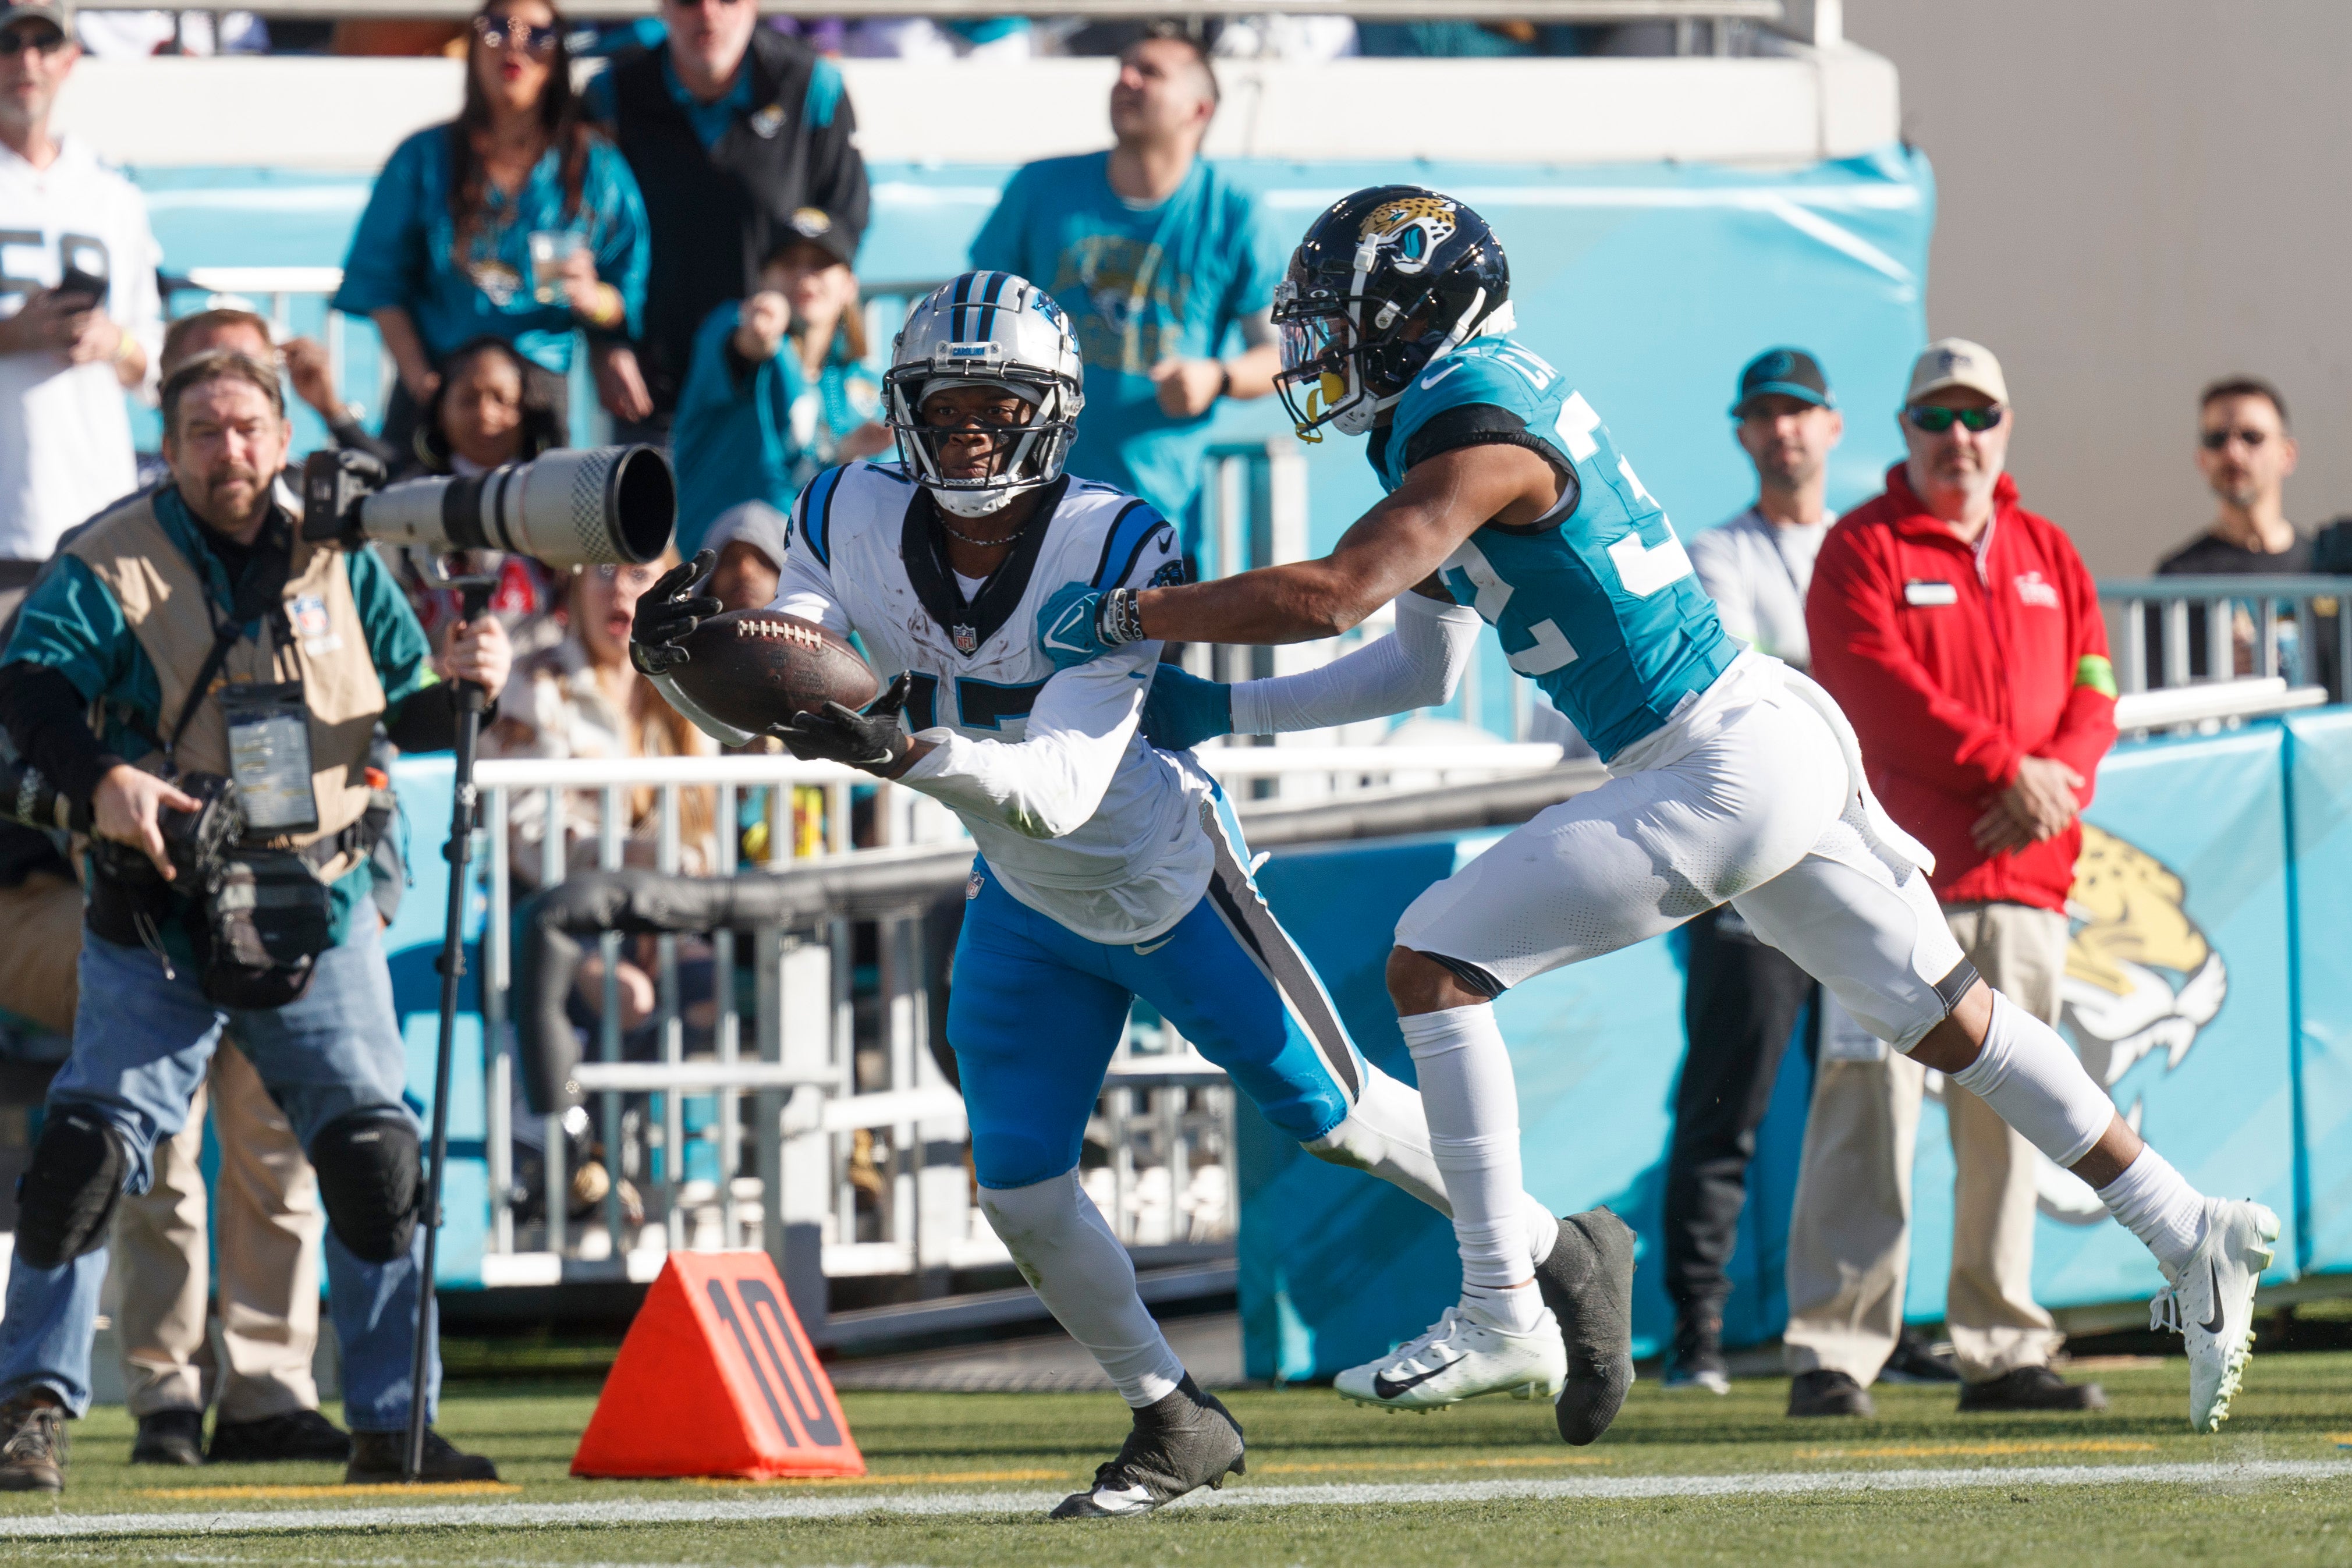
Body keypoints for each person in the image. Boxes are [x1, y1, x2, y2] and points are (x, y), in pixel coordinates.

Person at [1038, 186, 2277, 1439]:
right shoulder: (1459, 411)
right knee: (1957, 1024)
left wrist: (1128, 617)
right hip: (1749, 737)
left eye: (1338, 321)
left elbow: (1335, 593)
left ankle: (1500, 1305)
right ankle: (2188, 1227)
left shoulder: (1472, 426)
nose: (1320, 351)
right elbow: (1414, 667)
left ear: (1413, 313)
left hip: (1710, 758)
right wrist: (1218, 716)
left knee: (1431, 963)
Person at [630, 271, 1616, 1520]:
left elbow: (1051, 783)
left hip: (1156, 874)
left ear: (1049, 414)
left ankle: (1559, 1250)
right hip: (1024, 899)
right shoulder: (842, 504)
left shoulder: (1116, 541)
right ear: (902, 411)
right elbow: (799, 672)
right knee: (1020, 1187)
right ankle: (1169, 1413)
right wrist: (697, 662)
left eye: (996, 405)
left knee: (1339, 1119)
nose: (967, 432)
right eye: (944, 406)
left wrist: (895, 749)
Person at [0, 350, 510, 1489]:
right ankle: (28, 1409)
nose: (227, 451)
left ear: (281, 439)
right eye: (201, 431)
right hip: (157, 919)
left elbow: (411, 709)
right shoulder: (109, 560)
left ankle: (394, 1425)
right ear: (168, 444)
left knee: (380, 1159)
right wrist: (101, 785)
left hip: (318, 906)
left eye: (246, 429)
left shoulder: (343, 558)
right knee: (84, 1154)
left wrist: (473, 684)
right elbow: (27, 689)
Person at [1786, 339, 2114, 1418]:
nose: (1958, 437)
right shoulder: (1860, 547)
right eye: (1937, 417)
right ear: (1905, 429)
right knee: (1866, 1104)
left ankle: (2002, 1341)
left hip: (2025, 872)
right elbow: (1871, 686)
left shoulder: (2049, 550)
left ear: (2006, 426)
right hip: (1883, 875)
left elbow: (2096, 685)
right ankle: (1836, 1347)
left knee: (2016, 1117)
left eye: (1978, 415)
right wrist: (2006, 768)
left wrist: (2059, 772)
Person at [1652, 347, 1843, 1395]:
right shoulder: (1714, 549)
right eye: (1766, 413)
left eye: (1800, 412)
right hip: (1748, 870)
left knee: (1864, 1104)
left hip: (1853, 858)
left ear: (1833, 426)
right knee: (1726, 1099)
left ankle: (1866, 1323)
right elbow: (1746, 685)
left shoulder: (1865, 545)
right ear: (1743, 430)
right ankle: (1700, 1337)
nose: (1784, 430)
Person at [967, 29, 1282, 545]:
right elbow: (978, 309)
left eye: (1150, 72)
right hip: (1021, 499)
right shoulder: (1039, 187)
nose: (1125, 80)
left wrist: (1216, 378)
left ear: (1197, 110)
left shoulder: (1235, 213)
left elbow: (1277, 355)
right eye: (1123, 67)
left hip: (1154, 516)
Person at [333, 0, 649, 456]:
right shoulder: (424, 157)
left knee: (537, 525)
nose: (516, 47)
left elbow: (626, 293)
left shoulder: (594, 166)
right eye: (499, 29)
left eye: (538, 35)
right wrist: (423, 380)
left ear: (560, 54)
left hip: (538, 392)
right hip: (439, 384)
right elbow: (378, 282)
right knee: (411, 520)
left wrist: (591, 298)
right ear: (472, 43)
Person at [590, 0, 868, 441]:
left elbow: (844, 229)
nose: (707, 14)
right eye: (687, 1)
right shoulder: (611, 94)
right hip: (651, 388)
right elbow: (590, 235)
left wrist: (808, 356)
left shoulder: (813, 86)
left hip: (777, 389)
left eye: (727, 0)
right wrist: (606, 342)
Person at [0, 0, 162, 618]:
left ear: (70, 59)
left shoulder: (110, 196)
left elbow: (154, 357)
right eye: (9, 44)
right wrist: (12, 335)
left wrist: (113, 343)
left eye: (44, 44)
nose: (27, 62)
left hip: (97, 515)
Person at [669, 207, 886, 580]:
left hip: (819, 582)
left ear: (849, 284)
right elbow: (742, 347)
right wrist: (758, 336)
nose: (804, 277)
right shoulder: (728, 326)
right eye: (788, 263)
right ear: (762, 278)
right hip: (721, 572)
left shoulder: (864, 385)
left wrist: (845, 456)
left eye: (820, 264)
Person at [2152, 378, 2314, 683]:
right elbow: (2162, 706)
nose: (2233, 453)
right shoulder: (2178, 578)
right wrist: (2218, 672)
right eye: (2217, 439)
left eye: (2252, 437)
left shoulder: (2325, 568)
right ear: (2202, 459)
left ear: (2287, 455)